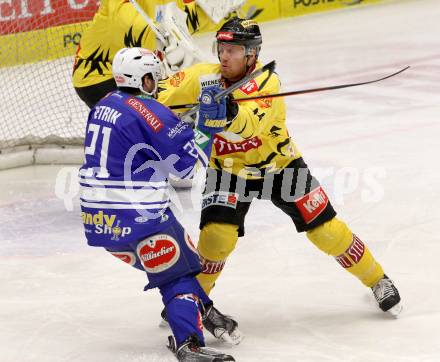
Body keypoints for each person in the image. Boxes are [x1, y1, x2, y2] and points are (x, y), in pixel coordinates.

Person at [157, 17, 402, 316]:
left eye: (233, 50)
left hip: (280, 167)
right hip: (229, 172)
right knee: (216, 238)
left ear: (251, 54)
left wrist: (228, 112)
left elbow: (248, 127)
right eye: (221, 48)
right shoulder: (203, 77)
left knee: (327, 232)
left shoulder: (267, 83)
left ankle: (378, 279)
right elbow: (157, 95)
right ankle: (191, 307)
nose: (224, 56)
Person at [79, 46, 241, 362]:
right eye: (154, 77)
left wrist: (177, 126)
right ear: (144, 79)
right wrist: (206, 124)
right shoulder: (154, 114)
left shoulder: (103, 104)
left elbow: (143, 134)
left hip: (98, 220)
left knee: (181, 257)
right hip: (136, 215)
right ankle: (189, 345)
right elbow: (184, 169)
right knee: (175, 275)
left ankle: (204, 309)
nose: (158, 82)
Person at [72, 0, 244, 109]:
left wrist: (212, 9)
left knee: (179, 93)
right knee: (166, 107)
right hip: (98, 79)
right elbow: (150, 35)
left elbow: (182, 21)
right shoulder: (118, 7)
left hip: (132, 70)